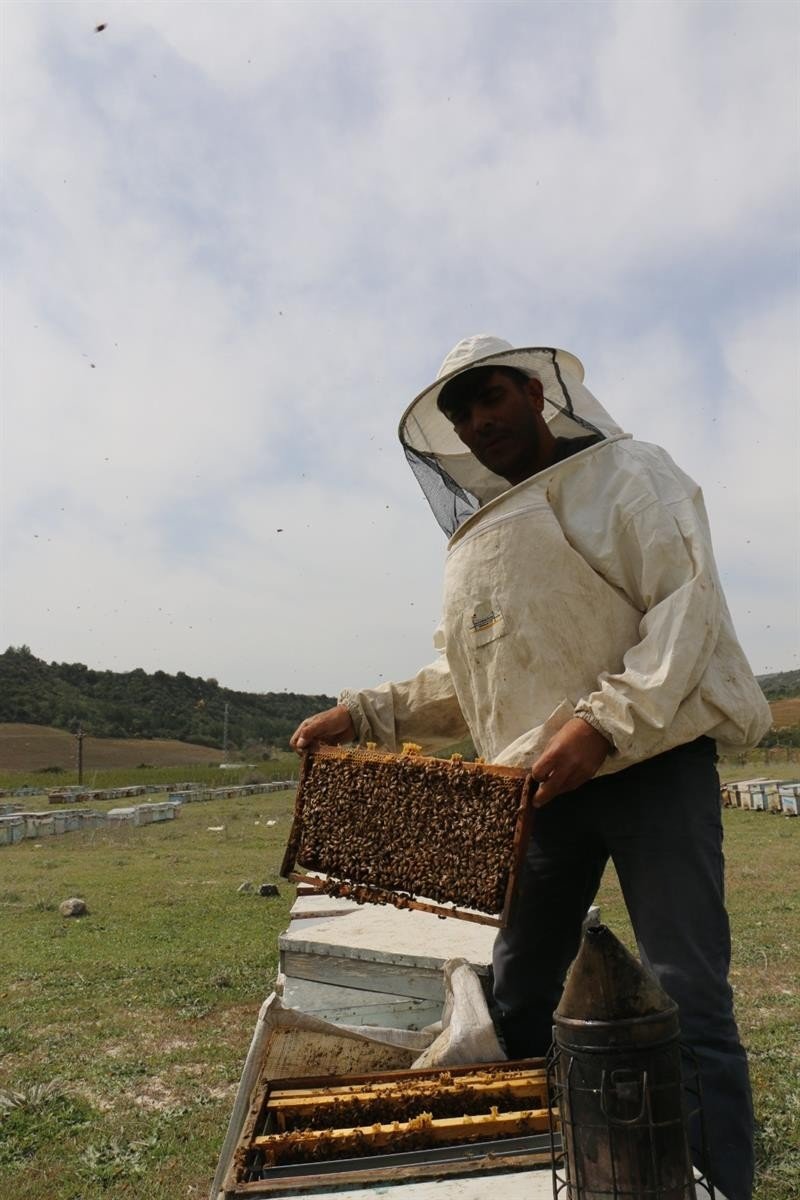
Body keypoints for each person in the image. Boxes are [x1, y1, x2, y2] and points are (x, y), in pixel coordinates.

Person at [290, 335, 771, 1200]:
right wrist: (362, 711)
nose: (479, 423)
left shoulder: (628, 475)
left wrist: (603, 723)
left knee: (686, 997)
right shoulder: (489, 536)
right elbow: (476, 675)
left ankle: (718, 1180)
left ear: (537, 395)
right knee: (516, 991)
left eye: (493, 400)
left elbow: (686, 605)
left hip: (650, 765)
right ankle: (524, 1165)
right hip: (543, 789)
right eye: (463, 414)